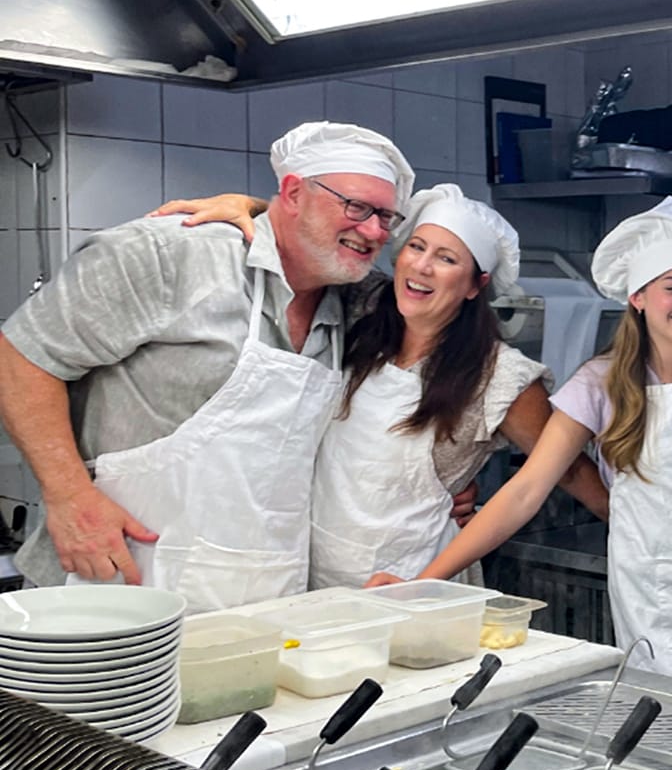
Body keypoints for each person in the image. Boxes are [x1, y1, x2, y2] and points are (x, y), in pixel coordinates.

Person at [380, 197, 672, 699]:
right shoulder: (600, 384)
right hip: (656, 606)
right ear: (639, 297)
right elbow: (526, 489)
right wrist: (422, 583)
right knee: (669, 739)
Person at [0, 122, 412, 611]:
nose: (372, 231)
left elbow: (448, 294)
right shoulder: (169, 253)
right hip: (110, 583)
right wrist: (68, 496)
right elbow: (19, 356)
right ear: (294, 192)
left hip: (256, 602)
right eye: (356, 207)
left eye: (385, 217)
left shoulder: (353, 301)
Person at [158, 185, 611, 588]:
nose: (423, 267)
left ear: (477, 285)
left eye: (447, 259)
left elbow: (563, 468)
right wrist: (250, 204)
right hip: (309, 576)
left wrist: (628, 527)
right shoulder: (361, 310)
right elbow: (325, 235)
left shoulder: (500, 377)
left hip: (414, 585)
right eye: (416, 247)